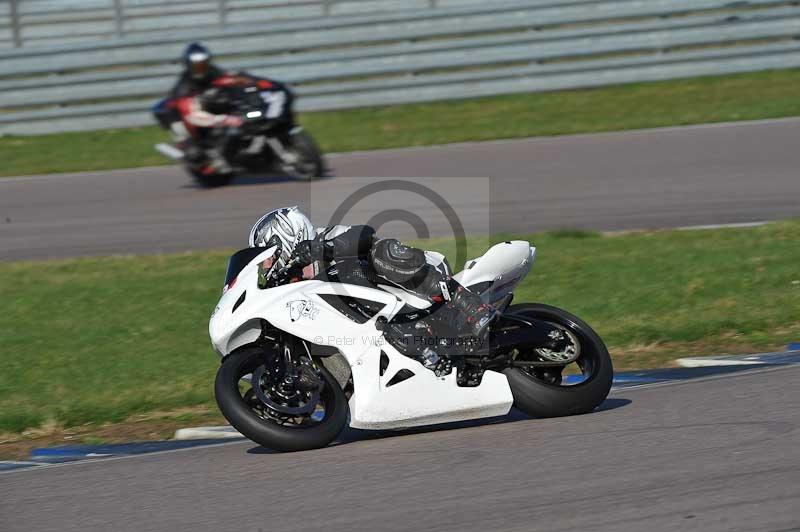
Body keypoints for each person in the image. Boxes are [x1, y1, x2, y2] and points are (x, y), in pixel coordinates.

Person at [248, 206, 499, 342]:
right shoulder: (288, 284)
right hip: (375, 330)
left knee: (383, 252)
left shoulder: (324, 237)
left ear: (284, 238)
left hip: (413, 286)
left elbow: (364, 233)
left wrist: (322, 249)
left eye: (266, 255)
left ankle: (472, 306)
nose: (264, 264)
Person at [152, 43, 244, 174]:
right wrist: (224, 119)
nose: (201, 68)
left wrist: (243, 81)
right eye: (197, 65)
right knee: (193, 152)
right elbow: (194, 116)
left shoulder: (213, 71)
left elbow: (230, 80)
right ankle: (184, 146)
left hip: (212, 108)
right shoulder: (183, 87)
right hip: (192, 118)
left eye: (203, 64)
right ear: (189, 65)